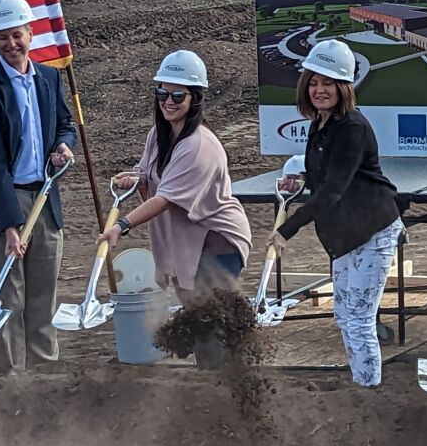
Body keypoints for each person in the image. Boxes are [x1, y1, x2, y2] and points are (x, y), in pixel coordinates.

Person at [102, 50, 253, 363]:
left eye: (177, 95)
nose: (168, 101)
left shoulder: (199, 145)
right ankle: (215, 384)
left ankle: (227, 387)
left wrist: (121, 226)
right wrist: (134, 177)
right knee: (198, 318)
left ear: (195, 98)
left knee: (211, 324)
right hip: (188, 245)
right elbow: (149, 172)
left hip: (216, 245)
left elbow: (163, 199)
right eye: (162, 93)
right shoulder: (159, 136)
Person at [0, 0, 76, 377]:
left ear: (31, 32)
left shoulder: (49, 77)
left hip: (44, 198)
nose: (10, 44)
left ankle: (44, 379)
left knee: (43, 297)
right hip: (0, 206)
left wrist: (63, 146)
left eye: (16, 35)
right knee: (8, 299)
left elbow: (64, 125)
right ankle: (9, 382)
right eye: (1, 37)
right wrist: (9, 227)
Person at [274, 39, 402, 387]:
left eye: (328, 83)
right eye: (313, 82)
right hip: (344, 236)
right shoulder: (320, 126)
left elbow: (334, 189)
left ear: (344, 87)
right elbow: (321, 177)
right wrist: (298, 179)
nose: (319, 90)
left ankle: (369, 391)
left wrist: (287, 228)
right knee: (344, 315)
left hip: (372, 231)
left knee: (359, 318)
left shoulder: (353, 128)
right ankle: (361, 382)